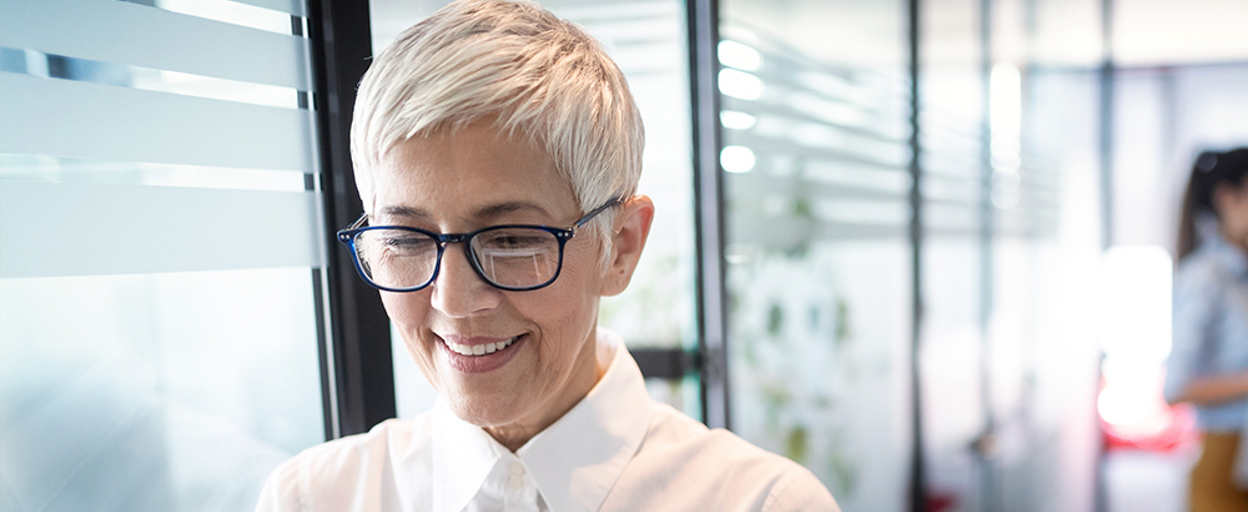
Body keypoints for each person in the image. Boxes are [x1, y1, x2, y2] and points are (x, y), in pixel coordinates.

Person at [255, 1, 839, 510]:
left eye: (510, 240)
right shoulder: (314, 499)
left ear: (621, 247)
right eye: (406, 241)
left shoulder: (760, 504)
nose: (453, 301)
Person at [1166, 147, 1248, 512]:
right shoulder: (1204, 279)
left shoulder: (1241, 277)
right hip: (1225, 468)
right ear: (1228, 198)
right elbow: (1176, 387)